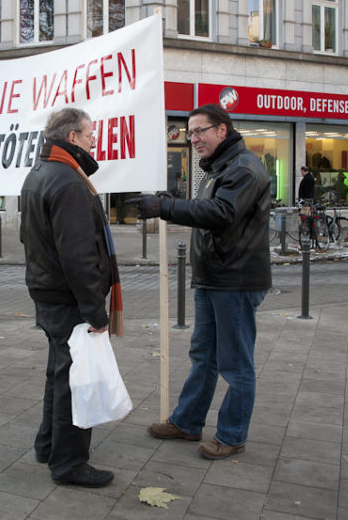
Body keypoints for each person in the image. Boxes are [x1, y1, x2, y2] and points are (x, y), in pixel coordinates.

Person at [129, 104, 271, 460]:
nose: (193, 139)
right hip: (212, 277)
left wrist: (165, 208)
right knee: (203, 356)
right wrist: (170, 202)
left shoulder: (244, 169)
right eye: (190, 133)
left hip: (235, 280)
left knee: (235, 364)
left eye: (199, 131)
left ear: (222, 130)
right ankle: (188, 422)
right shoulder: (216, 168)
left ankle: (232, 436)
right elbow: (205, 211)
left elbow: (222, 213)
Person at [20, 107, 117, 489]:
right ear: (73, 137)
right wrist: (95, 311)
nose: (94, 141)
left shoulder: (40, 172)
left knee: (59, 374)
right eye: (90, 135)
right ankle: (69, 463)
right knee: (76, 380)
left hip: (49, 291)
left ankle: (48, 446)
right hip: (67, 298)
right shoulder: (68, 181)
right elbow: (78, 256)